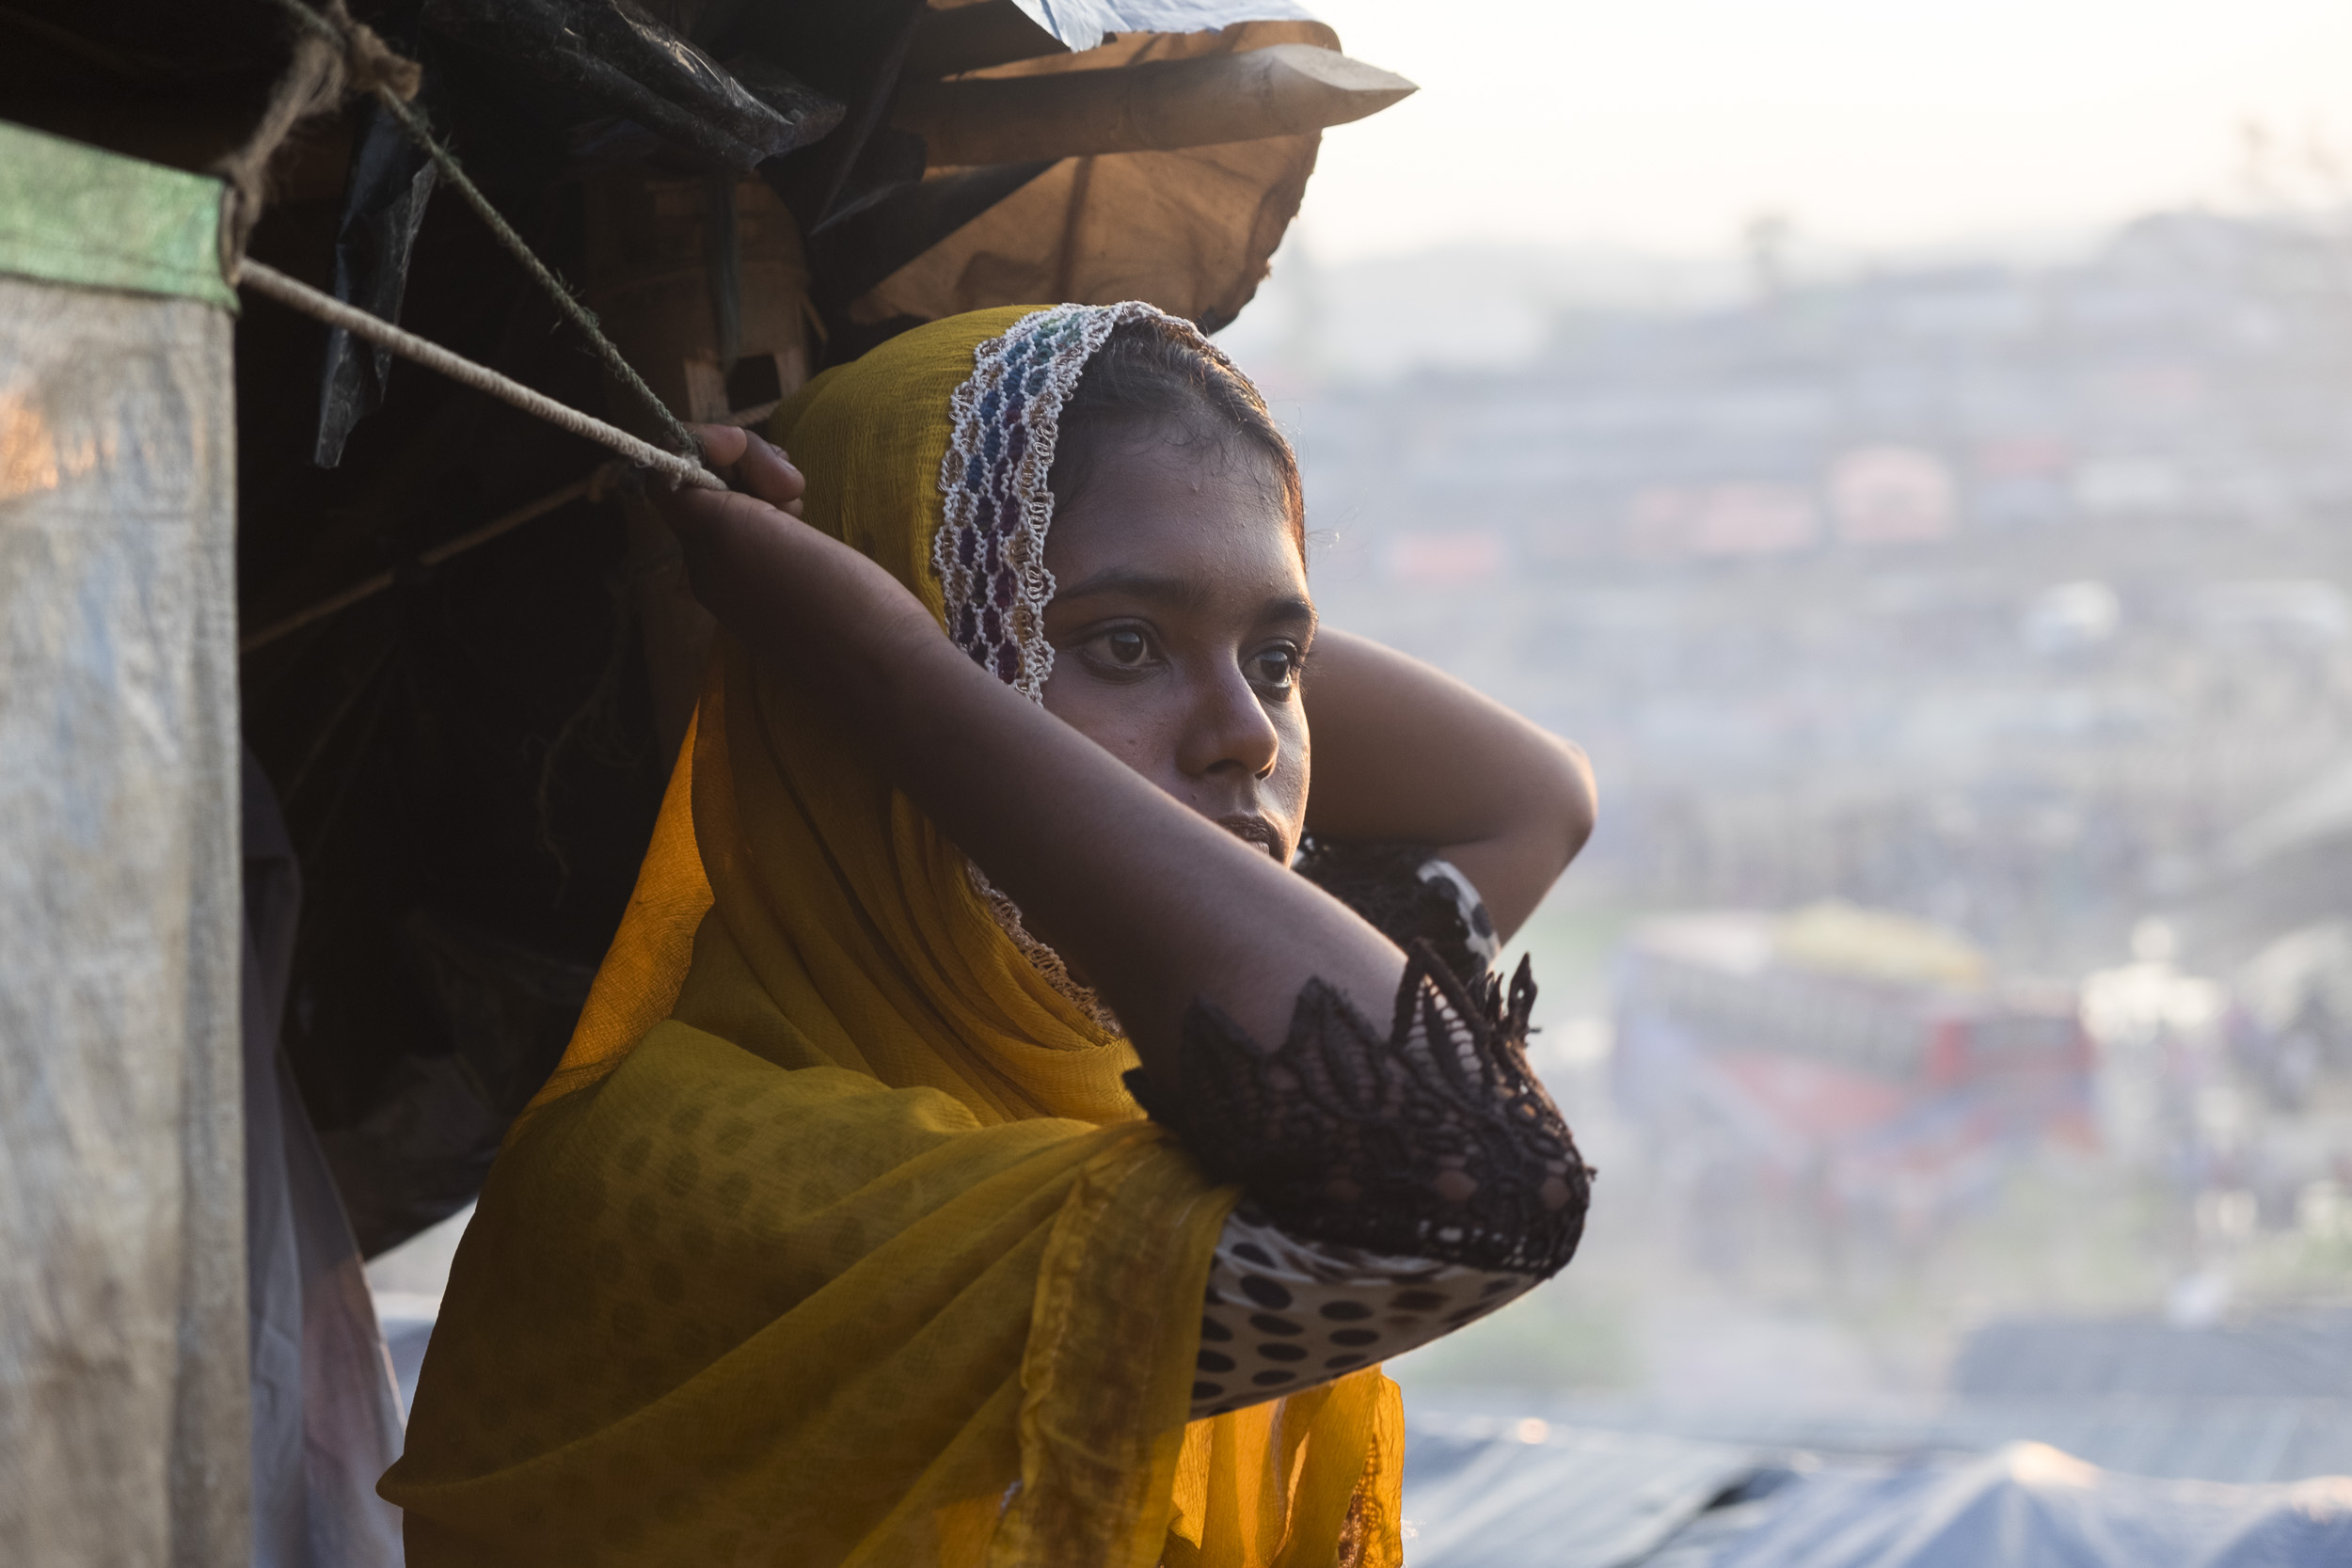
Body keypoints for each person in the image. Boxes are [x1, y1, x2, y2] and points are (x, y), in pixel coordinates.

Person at [382, 303, 1597, 1567]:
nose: (1249, 736)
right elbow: (1474, 1197)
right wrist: (884, 664)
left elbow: (1528, 802)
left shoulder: (1128, 1090)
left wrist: (1102, 624)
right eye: (1122, 645)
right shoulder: (681, 1170)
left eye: (1279, 660)